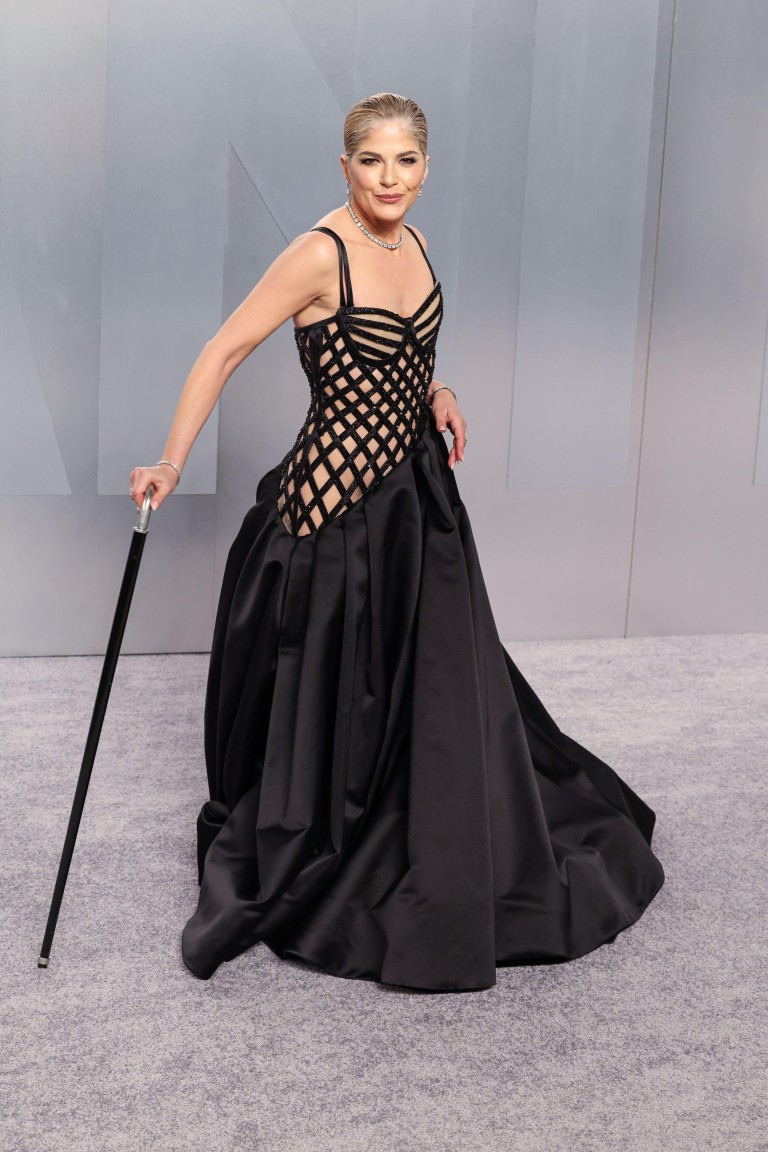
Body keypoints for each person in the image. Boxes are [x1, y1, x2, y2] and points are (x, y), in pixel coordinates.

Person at [130, 93, 665, 991]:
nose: (390, 179)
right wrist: (170, 461)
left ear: (426, 167)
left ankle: (425, 822)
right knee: (347, 701)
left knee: (440, 692)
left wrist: (438, 392)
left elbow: (404, 358)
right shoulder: (320, 252)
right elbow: (223, 349)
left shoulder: (409, 240)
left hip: (415, 501)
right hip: (335, 512)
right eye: (372, 162)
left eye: (406, 162)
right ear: (345, 167)